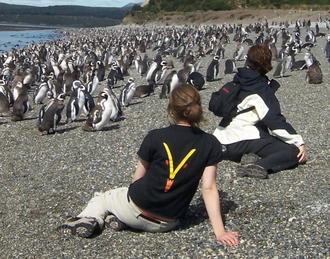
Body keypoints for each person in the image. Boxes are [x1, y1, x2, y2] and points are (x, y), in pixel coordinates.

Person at [57, 83, 239, 247]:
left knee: (102, 198)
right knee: (124, 201)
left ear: (171, 109)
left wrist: (133, 194)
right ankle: (120, 220)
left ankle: (90, 220)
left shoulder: (155, 136)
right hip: (168, 222)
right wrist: (220, 232)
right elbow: (208, 188)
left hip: (137, 207)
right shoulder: (210, 143)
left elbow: (138, 178)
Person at [213, 44, 307, 179]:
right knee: (292, 152)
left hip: (223, 139)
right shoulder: (260, 89)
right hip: (242, 139)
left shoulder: (239, 80)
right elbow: (274, 121)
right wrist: (298, 142)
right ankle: (260, 165)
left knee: (264, 134)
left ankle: (249, 157)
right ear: (267, 63)